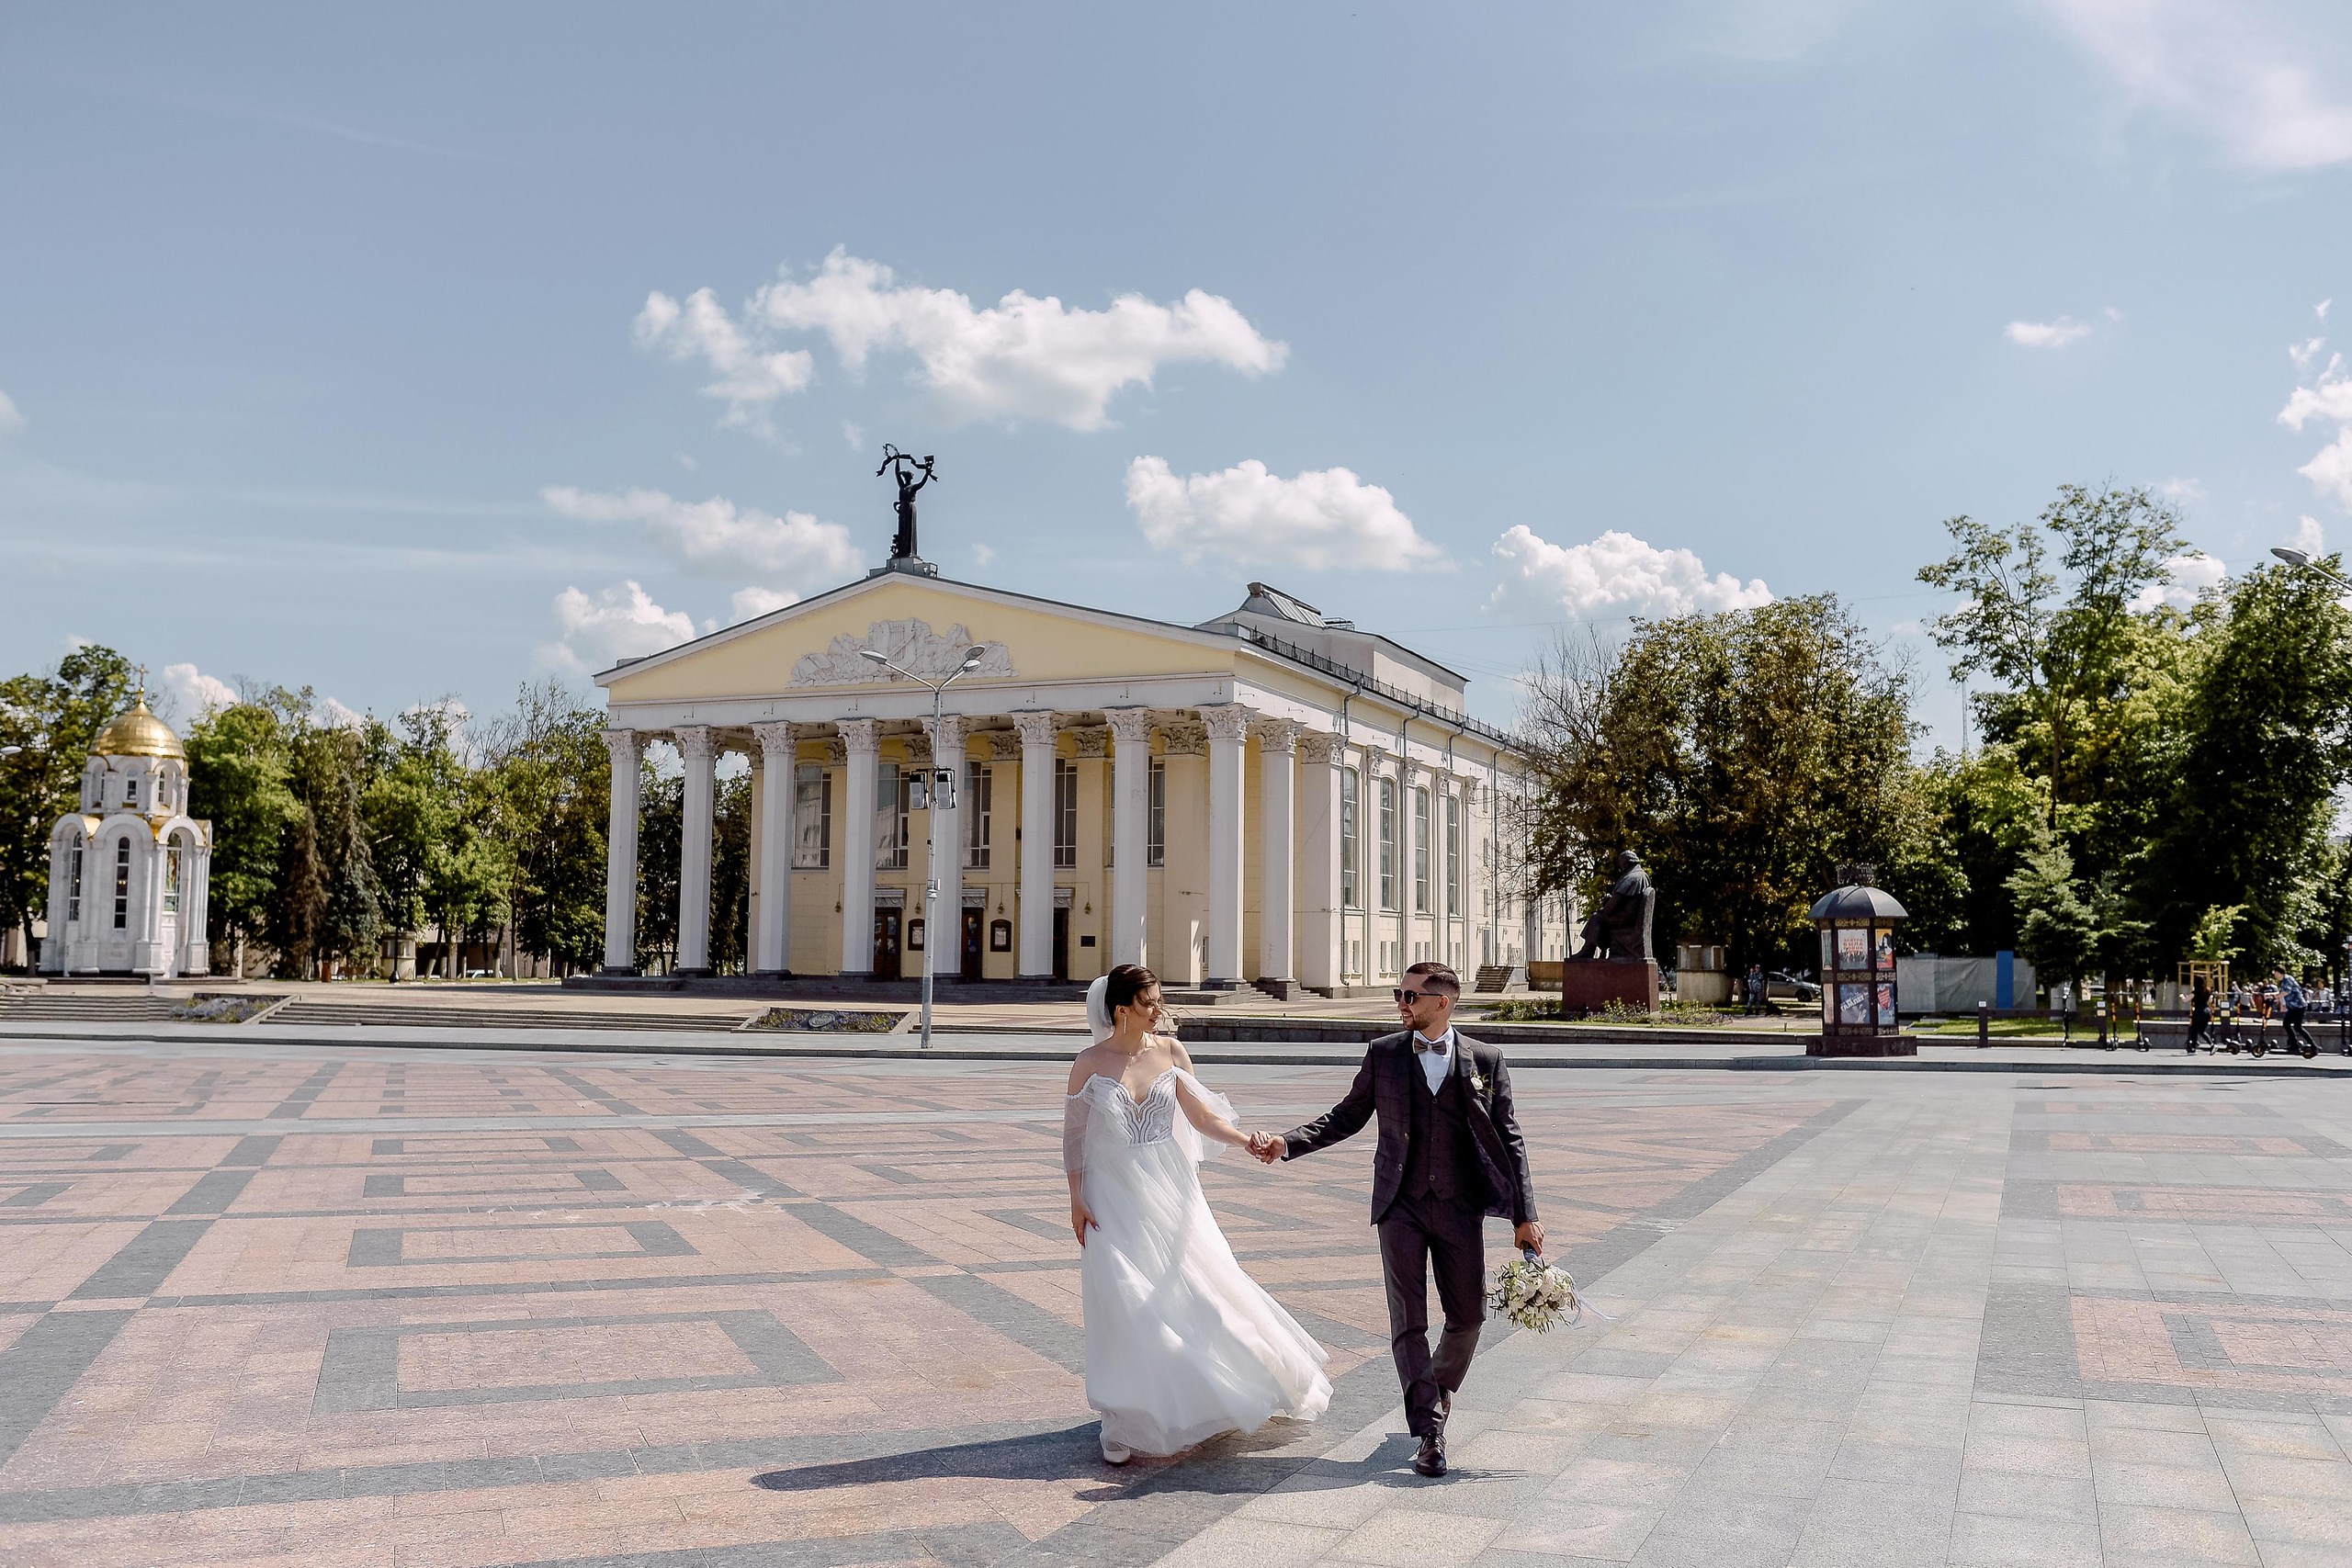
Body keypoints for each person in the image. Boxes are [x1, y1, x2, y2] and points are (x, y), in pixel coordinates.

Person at [1250, 961, 1542, 1479]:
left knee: (1468, 1316)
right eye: (1399, 994)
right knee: (1408, 1321)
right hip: (1399, 1206)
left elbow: (1510, 1138)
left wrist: (1526, 1215)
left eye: (1410, 996)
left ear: (1442, 1003)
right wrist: (1287, 1143)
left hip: (1459, 1207)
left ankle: (1434, 1388)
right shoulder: (1384, 1055)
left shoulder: (1486, 1060)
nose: (1401, 1004)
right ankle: (1429, 1431)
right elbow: (1345, 1116)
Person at [1063, 964, 1330, 1465]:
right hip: (1111, 1193)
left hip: (1170, 1187)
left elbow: (1202, 1117)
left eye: (1159, 999)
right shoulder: (1089, 1062)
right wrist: (1076, 1196)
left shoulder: (1170, 1052)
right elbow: (1074, 1136)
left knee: (1200, 1287)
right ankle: (1125, 1417)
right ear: (1122, 1010)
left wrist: (1248, 1140)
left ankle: (1224, 1384)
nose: (1158, 1009)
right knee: (1124, 1296)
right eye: (1149, 1002)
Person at [2277, 968, 2318, 1057]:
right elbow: (2282, 992)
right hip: (2292, 1007)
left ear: (2279, 973)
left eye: (2276, 973)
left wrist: (2275, 996)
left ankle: (2314, 1046)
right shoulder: (2284, 980)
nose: (2275, 975)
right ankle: (2294, 1045)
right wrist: (2271, 995)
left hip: (2298, 1006)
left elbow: (2286, 992)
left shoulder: (2287, 979)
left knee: (2298, 1027)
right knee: (2286, 1023)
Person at [2187, 976, 2211, 1055]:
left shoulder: (2195, 992)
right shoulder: (2207, 991)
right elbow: (2210, 1000)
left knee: (2194, 1030)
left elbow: (2187, 999)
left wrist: (2182, 997)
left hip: (2198, 1012)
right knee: (2202, 1031)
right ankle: (2212, 1044)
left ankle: (2193, 1047)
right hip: (2207, 1011)